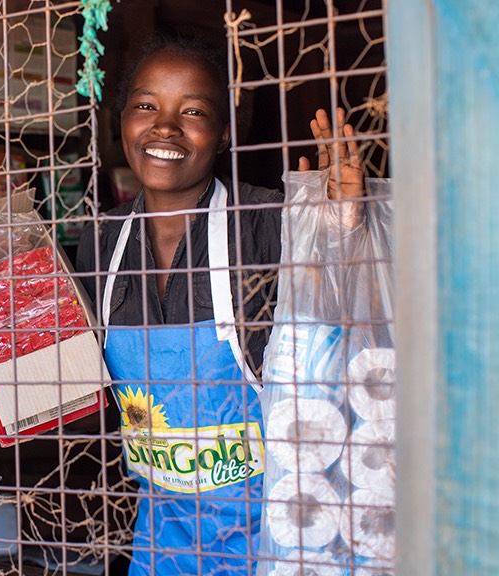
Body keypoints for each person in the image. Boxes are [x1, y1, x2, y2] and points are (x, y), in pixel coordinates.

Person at [75, 31, 364, 576]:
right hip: (165, 541)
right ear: (121, 121)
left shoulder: (270, 222)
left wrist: (342, 231)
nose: (164, 127)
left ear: (224, 133)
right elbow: (71, 387)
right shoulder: (102, 243)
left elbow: (345, 339)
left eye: (194, 110)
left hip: (277, 540)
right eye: (145, 106)